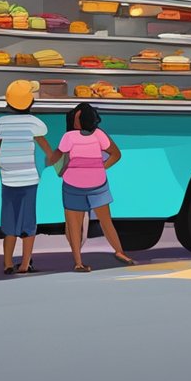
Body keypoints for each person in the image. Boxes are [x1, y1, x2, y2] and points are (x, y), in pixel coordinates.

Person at [0, 81, 56, 274]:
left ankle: (7, 263)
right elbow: (49, 153)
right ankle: (25, 264)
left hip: (8, 181)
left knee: (9, 224)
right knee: (28, 223)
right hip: (30, 181)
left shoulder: (0, 123)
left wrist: (2, 164)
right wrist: (50, 162)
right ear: (30, 100)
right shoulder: (35, 123)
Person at [55, 103, 133, 272]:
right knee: (103, 221)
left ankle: (79, 261)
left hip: (74, 185)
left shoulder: (69, 137)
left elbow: (60, 158)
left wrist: (57, 167)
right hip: (95, 184)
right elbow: (116, 154)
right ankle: (118, 252)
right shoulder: (98, 135)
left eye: (78, 117)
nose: (76, 121)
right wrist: (101, 167)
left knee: (76, 224)